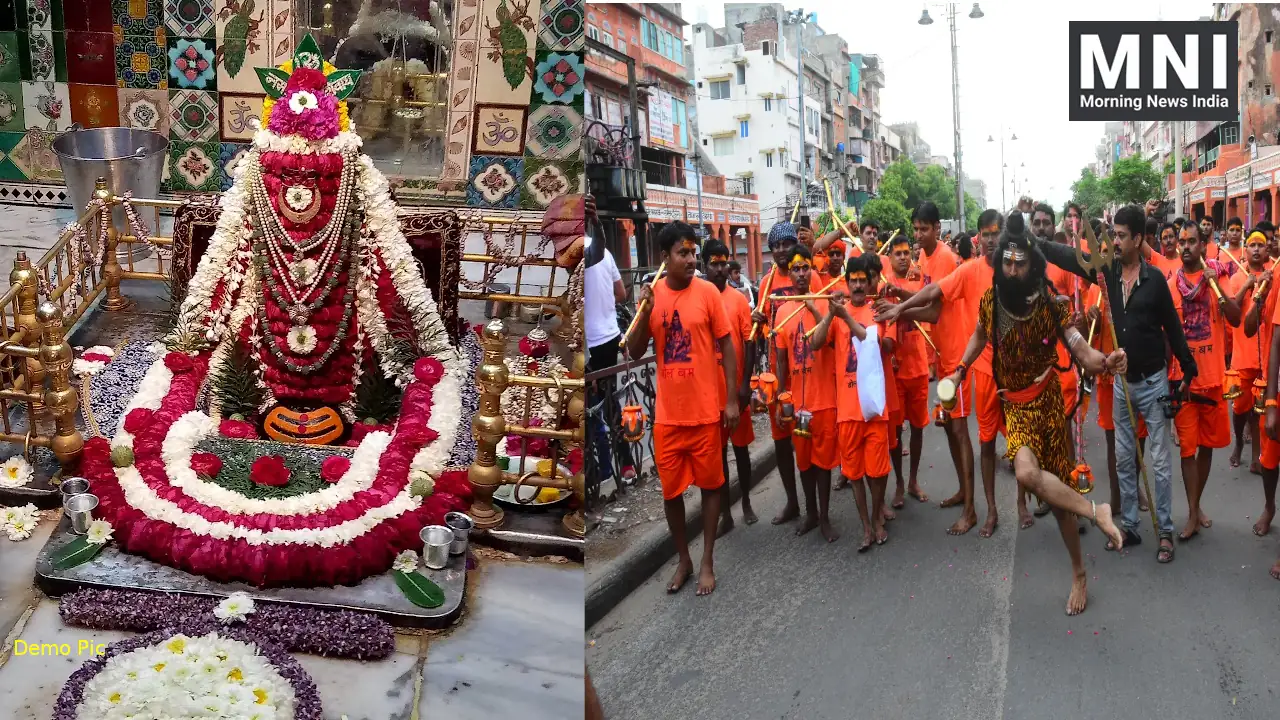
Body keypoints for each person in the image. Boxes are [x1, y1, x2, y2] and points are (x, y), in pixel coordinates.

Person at [948, 213, 1125, 615]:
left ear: (1032, 263)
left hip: (1048, 405)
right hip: (1016, 408)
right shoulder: (992, 300)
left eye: (1019, 262)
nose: (1012, 269)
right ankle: (1097, 512)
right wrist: (960, 369)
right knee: (1026, 473)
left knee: (1060, 504)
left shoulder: (1050, 303)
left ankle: (1079, 572)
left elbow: (1081, 350)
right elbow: (979, 333)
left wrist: (1106, 360)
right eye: (1006, 262)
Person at [1033, 205, 1198, 564]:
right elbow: (1072, 259)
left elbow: (1172, 328)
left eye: (1122, 235)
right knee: (1125, 459)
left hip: (1153, 384)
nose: (1116, 241)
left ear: (1138, 239)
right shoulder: (1106, 273)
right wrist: (1037, 242)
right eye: (1114, 234)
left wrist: (1187, 370)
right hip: (1122, 384)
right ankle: (1132, 527)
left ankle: (1165, 530)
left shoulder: (1155, 281)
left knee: (1157, 462)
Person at [626, 221, 738, 596]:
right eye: (683, 253)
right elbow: (636, 349)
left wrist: (732, 399)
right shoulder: (652, 295)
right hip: (669, 417)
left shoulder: (707, 293)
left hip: (706, 412)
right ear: (664, 257)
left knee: (710, 487)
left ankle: (706, 559)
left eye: (693, 253)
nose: (692, 260)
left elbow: (727, 345)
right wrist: (644, 310)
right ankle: (684, 559)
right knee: (671, 493)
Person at [879, 210, 1005, 536]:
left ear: (938, 228)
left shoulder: (948, 258)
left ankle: (972, 510)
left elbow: (934, 309)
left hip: (959, 357)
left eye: (923, 229)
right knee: (952, 429)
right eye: (915, 229)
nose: (918, 235)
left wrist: (900, 309)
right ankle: (966, 493)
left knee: (964, 431)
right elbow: (930, 296)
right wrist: (900, 299)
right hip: (944, 356)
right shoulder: (926, 255)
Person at [811, 252, 895, 550]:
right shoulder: (838, 313)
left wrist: (844, 315)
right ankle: (866, 527)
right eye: (853, 281)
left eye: (862, 281)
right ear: (846, 284)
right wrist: (831, 314)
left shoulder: (879, 311)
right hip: (847, 411)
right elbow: (814, 343)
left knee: (878, 471)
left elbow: (871, 341)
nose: (858, 286)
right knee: (856, 474)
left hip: (873, 407)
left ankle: (876, 518)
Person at [1167, 223, 1242, 544]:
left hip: (1212, 381)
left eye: (1191, 241)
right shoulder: (1171, 285)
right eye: (1181, 241)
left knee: (1207, 447)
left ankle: (1196, 509)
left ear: (1203, 245)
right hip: (1182, 382)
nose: (1185, 247)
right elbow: (1167, 337)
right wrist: (1167, 382)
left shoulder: (1216, 279)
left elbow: (1237, 319)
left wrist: (1218, 288)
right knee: (1187, 449)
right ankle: (1193, 511)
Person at [772, 245, 840, 541]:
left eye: (805, 268)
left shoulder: (826, 305)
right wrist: (779, 397)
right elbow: (781, 362)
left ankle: (824, 516)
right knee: (804, 462)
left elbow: (831, 346)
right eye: (796, 269)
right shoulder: (782, 312)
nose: (801, 274)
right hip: (798, 405)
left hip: (824, 398)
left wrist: (815, 308)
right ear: (790, 272)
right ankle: (810, 513)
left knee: (824, 463)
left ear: (813, 269)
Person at [704, 240, 759, 533]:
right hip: (709, 398)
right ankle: (725, 512)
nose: (720, 269)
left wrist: (745, 384)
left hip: (735, 392)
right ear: (704, 266)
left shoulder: (738, 300)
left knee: (741, 452)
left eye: (724, 262)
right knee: (718, 459)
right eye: (714, 263)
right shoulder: (698, 298)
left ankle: (747, 501)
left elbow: (749, 343)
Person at [752, 223, 802, 525]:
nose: (782, 251)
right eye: (776, 246)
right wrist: (756, 319)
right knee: (782, 439)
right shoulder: (766, 283)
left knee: (808, 436)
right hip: (777, 371)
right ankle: (792, 501)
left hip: (807, 370)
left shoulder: (805, 273)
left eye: (787, 244)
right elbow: (760, 332)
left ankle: (816, 503)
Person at [584, 200, 637, 484]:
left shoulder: (574, 249)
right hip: (608, 336)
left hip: (594, 341)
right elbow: (619, 293)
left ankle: (602, 470)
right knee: (608, 405)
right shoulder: (602, 252)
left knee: (593, 408)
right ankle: (624, 464)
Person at [881, 233, 930, 508]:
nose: (902, 257)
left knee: (919, 427)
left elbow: (926, 305)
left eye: (905, 253)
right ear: (890, 257)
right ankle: (899, 482)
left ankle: (913, 481)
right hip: (895, 371)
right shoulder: (883, 285)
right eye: (897, 253)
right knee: (897, 430)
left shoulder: (917, 279)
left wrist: (902, 298)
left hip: (918, 366)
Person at [1229, 231, 1274, 474]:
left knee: (1261, 409)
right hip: (1242, 357)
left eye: (1260, 245)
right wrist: (1247, 285)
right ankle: (1238, 443)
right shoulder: (1237, 277)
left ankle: (1259, 456)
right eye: (1252, 245)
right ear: (1245, 250)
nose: (1256, 250)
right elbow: (1232, 313)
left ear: (1267, 251)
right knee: (1239, 409)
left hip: (1267, 358)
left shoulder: (1274, 276)